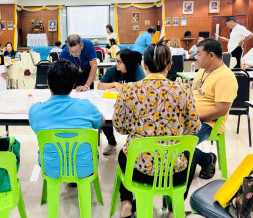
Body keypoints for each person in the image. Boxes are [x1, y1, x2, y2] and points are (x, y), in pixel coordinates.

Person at [113, 39, 200, 218]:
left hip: (139, 170)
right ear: (169, 66)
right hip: (174, 171)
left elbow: (119, 127)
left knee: (125, 152)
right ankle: (175, 210)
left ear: (144, 66)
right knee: (193, 155)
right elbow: (194, 127)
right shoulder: (183, 90)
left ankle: (127, 203)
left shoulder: (128, 90)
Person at [29, 59, 105, 179]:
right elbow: (100, 122)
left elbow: (36, 128)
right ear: (73, 84)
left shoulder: (35, 110)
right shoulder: (86, 106)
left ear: (48, 82)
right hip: (85, 168)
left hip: (51, 169)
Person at [192, 38, 238, 179]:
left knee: (180, 144)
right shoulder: (203, 71)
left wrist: (195, 118)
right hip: (193, 117)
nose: (196, 57)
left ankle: (208, 159)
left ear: (211, 55)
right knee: (165, 135)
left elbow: (220, 110)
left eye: (199, 54)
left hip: (209, 123)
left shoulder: (225, 77)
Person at [97, 49, 145, 156]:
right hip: (113, 104)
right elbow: (99, 86)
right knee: (104, 117)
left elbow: (143, 88)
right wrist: (113, 84)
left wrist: (123, 88)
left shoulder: (137, 69)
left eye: (119, 62)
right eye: (116, 61)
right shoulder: (113, 70)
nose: (117, 64)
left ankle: (134, 143)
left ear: (127, 62)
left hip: (133, 106)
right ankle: (112, 142)